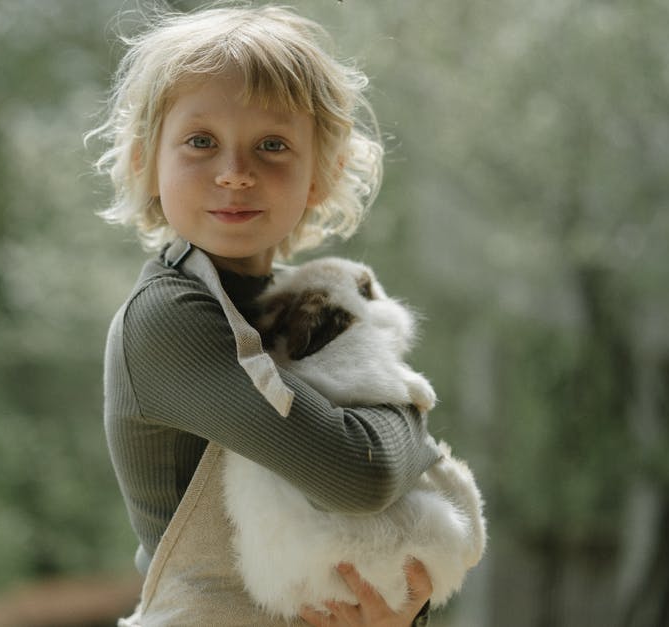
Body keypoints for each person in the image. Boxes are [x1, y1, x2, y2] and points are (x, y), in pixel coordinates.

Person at [91, 5, 441, 626]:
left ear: (320, 175)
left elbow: (379, 505)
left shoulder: (305, 304)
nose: (235, 174)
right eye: (201, 142)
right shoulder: (171, 317)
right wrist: (418, 422)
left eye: (272, 145)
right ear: (146, 160)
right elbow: (360, 476)